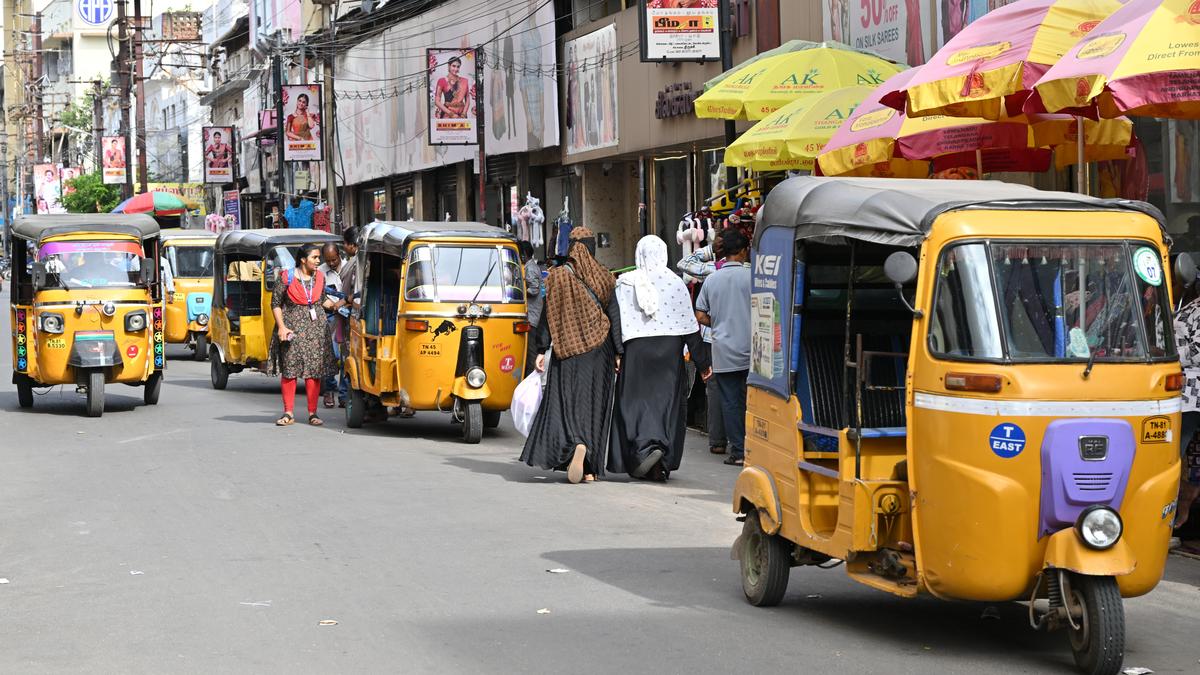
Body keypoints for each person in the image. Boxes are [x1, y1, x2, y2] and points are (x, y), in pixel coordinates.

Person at [521, 226, 621, 484]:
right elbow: (615, 316)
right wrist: (620, 351)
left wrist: (542, 349)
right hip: (601, 351)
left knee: (567, 403)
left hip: (567, 350)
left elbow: (547, 316)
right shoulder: (604, 275)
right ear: (591, 247)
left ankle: (573, 445)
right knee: (594, 404)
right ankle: (589, 468)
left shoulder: (556, 277)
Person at [607, 236, 708, 481]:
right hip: (669, 353)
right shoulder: (675, 283)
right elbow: (690, 328)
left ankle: (643, 449)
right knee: (667, 405)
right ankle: (660, 453)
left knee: (634, 404)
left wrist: (616, 352)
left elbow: (616, 322)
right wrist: (704, 363)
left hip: (636, 352)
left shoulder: (625, 283)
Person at [268, 244, 345, 426]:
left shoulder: (319, 277)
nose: (319, 261)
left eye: (319, 258)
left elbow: (320, 300)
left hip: (316, 332)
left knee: (314, 373)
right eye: (315, 257)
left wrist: (337, 305)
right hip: (292, 331)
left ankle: (313, 413)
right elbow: (276, 304)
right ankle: (288, 413)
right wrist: (281, 327)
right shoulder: (286, 278)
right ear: (303, 259)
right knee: (290, 371)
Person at [695, 228, 752, 466]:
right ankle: (756, 449)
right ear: (742, 251)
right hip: (753, 352)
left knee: (729, 401)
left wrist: (717, 321)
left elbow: (700, 315)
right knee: (752, 401)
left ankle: (738, 452)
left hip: (723, 351)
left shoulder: (712, 279)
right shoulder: (754, 277)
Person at [1173, 267, 1200, 540]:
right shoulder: (1191, 307)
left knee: (1174, 454)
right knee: (1177, 455)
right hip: (1185, 395)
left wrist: (1169, 353)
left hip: (1193, 394)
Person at [319, 242, 347, 409]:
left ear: (339, 255)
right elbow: (318, 295)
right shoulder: (320, 272)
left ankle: (344, 394)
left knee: (345, 356)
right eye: (328, 260)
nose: (331, 263)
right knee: (331, 355)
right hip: (329, 316)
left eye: (334, 260)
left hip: (347, 316)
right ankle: (329, 389)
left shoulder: (349, 268)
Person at [519, 241, 544, 377]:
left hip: (533, 315)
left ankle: (531, 378)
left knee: (531, 351)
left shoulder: (530, 268)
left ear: (524, 254)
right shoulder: (530, 266)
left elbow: (534, 289)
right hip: (532, 314)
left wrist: (519, 292)